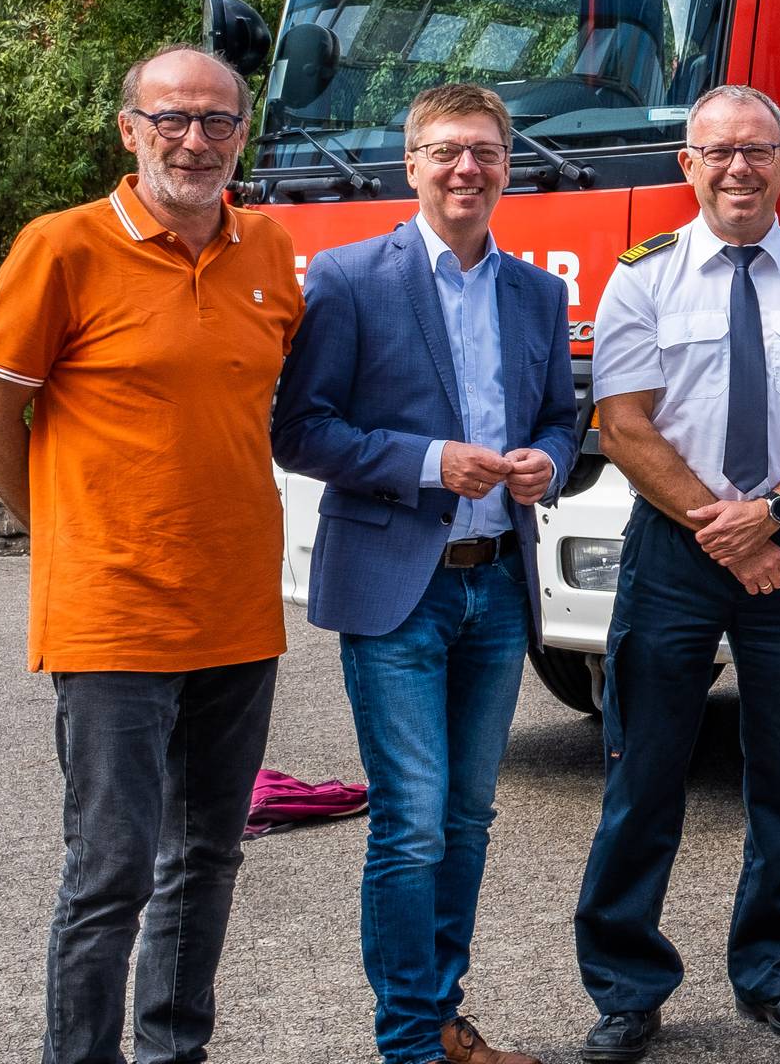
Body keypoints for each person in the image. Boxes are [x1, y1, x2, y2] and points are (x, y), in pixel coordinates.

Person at [0, 45, 303, 1064]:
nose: (194, 140)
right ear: (128, 129)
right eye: (171, 119)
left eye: (217, 122)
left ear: (243, 135)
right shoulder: (60, 247)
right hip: (112, 613)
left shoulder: (268, 249)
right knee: (109, 869)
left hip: (239, 608)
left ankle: (173, 1047)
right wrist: (67, 533)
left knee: (208, 852)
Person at [572, 85, 780, 1061]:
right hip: (675, 547)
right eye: (717, 151)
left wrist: (773, 516)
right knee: (645, 768)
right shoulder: (642, 278)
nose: (738, 168)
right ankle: (628, 987)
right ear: (688, 165)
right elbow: (621, 421)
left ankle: (778, 972)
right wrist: (727, 526)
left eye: (757, 150)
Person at [272, 83, 582, 1064]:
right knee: (409, 822)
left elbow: (557, 417)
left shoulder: (538, 291)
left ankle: (443, 1017)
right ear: (411, 164)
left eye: (485, 151)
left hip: (496, 584)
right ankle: (407, 1040)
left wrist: (548, 461)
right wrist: (426, 461)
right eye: (446, 150)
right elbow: (301, 427)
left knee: (467, 815)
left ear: (505, 166)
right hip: (396, 583)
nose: (466, 169)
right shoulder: (349, 277)